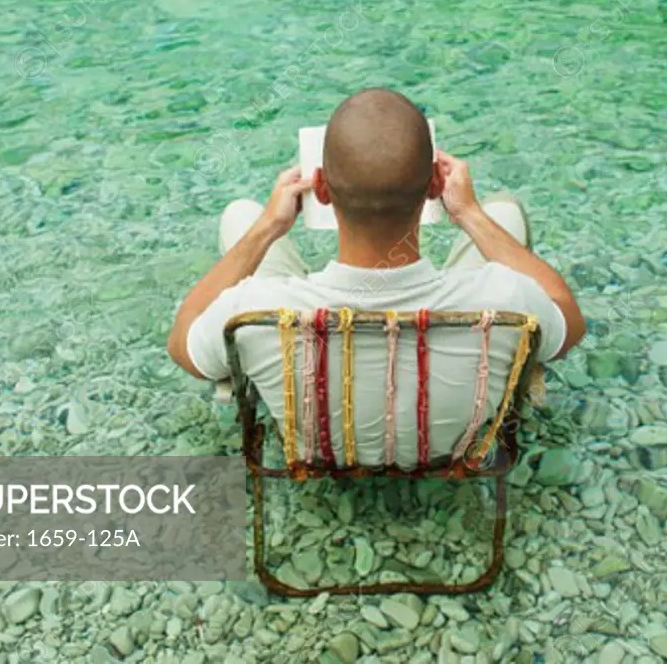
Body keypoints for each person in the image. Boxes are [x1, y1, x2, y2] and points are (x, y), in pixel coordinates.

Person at [167, 88, 585, 468]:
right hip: (451, 445)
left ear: (323, 192)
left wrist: (266, 229)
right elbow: (569, 325)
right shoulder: (505, 298)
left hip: (318, 448)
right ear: (434, 188)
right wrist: (472, 216)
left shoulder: (254, 309)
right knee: (504, 213)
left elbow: (183, 343)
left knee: (241, 216)